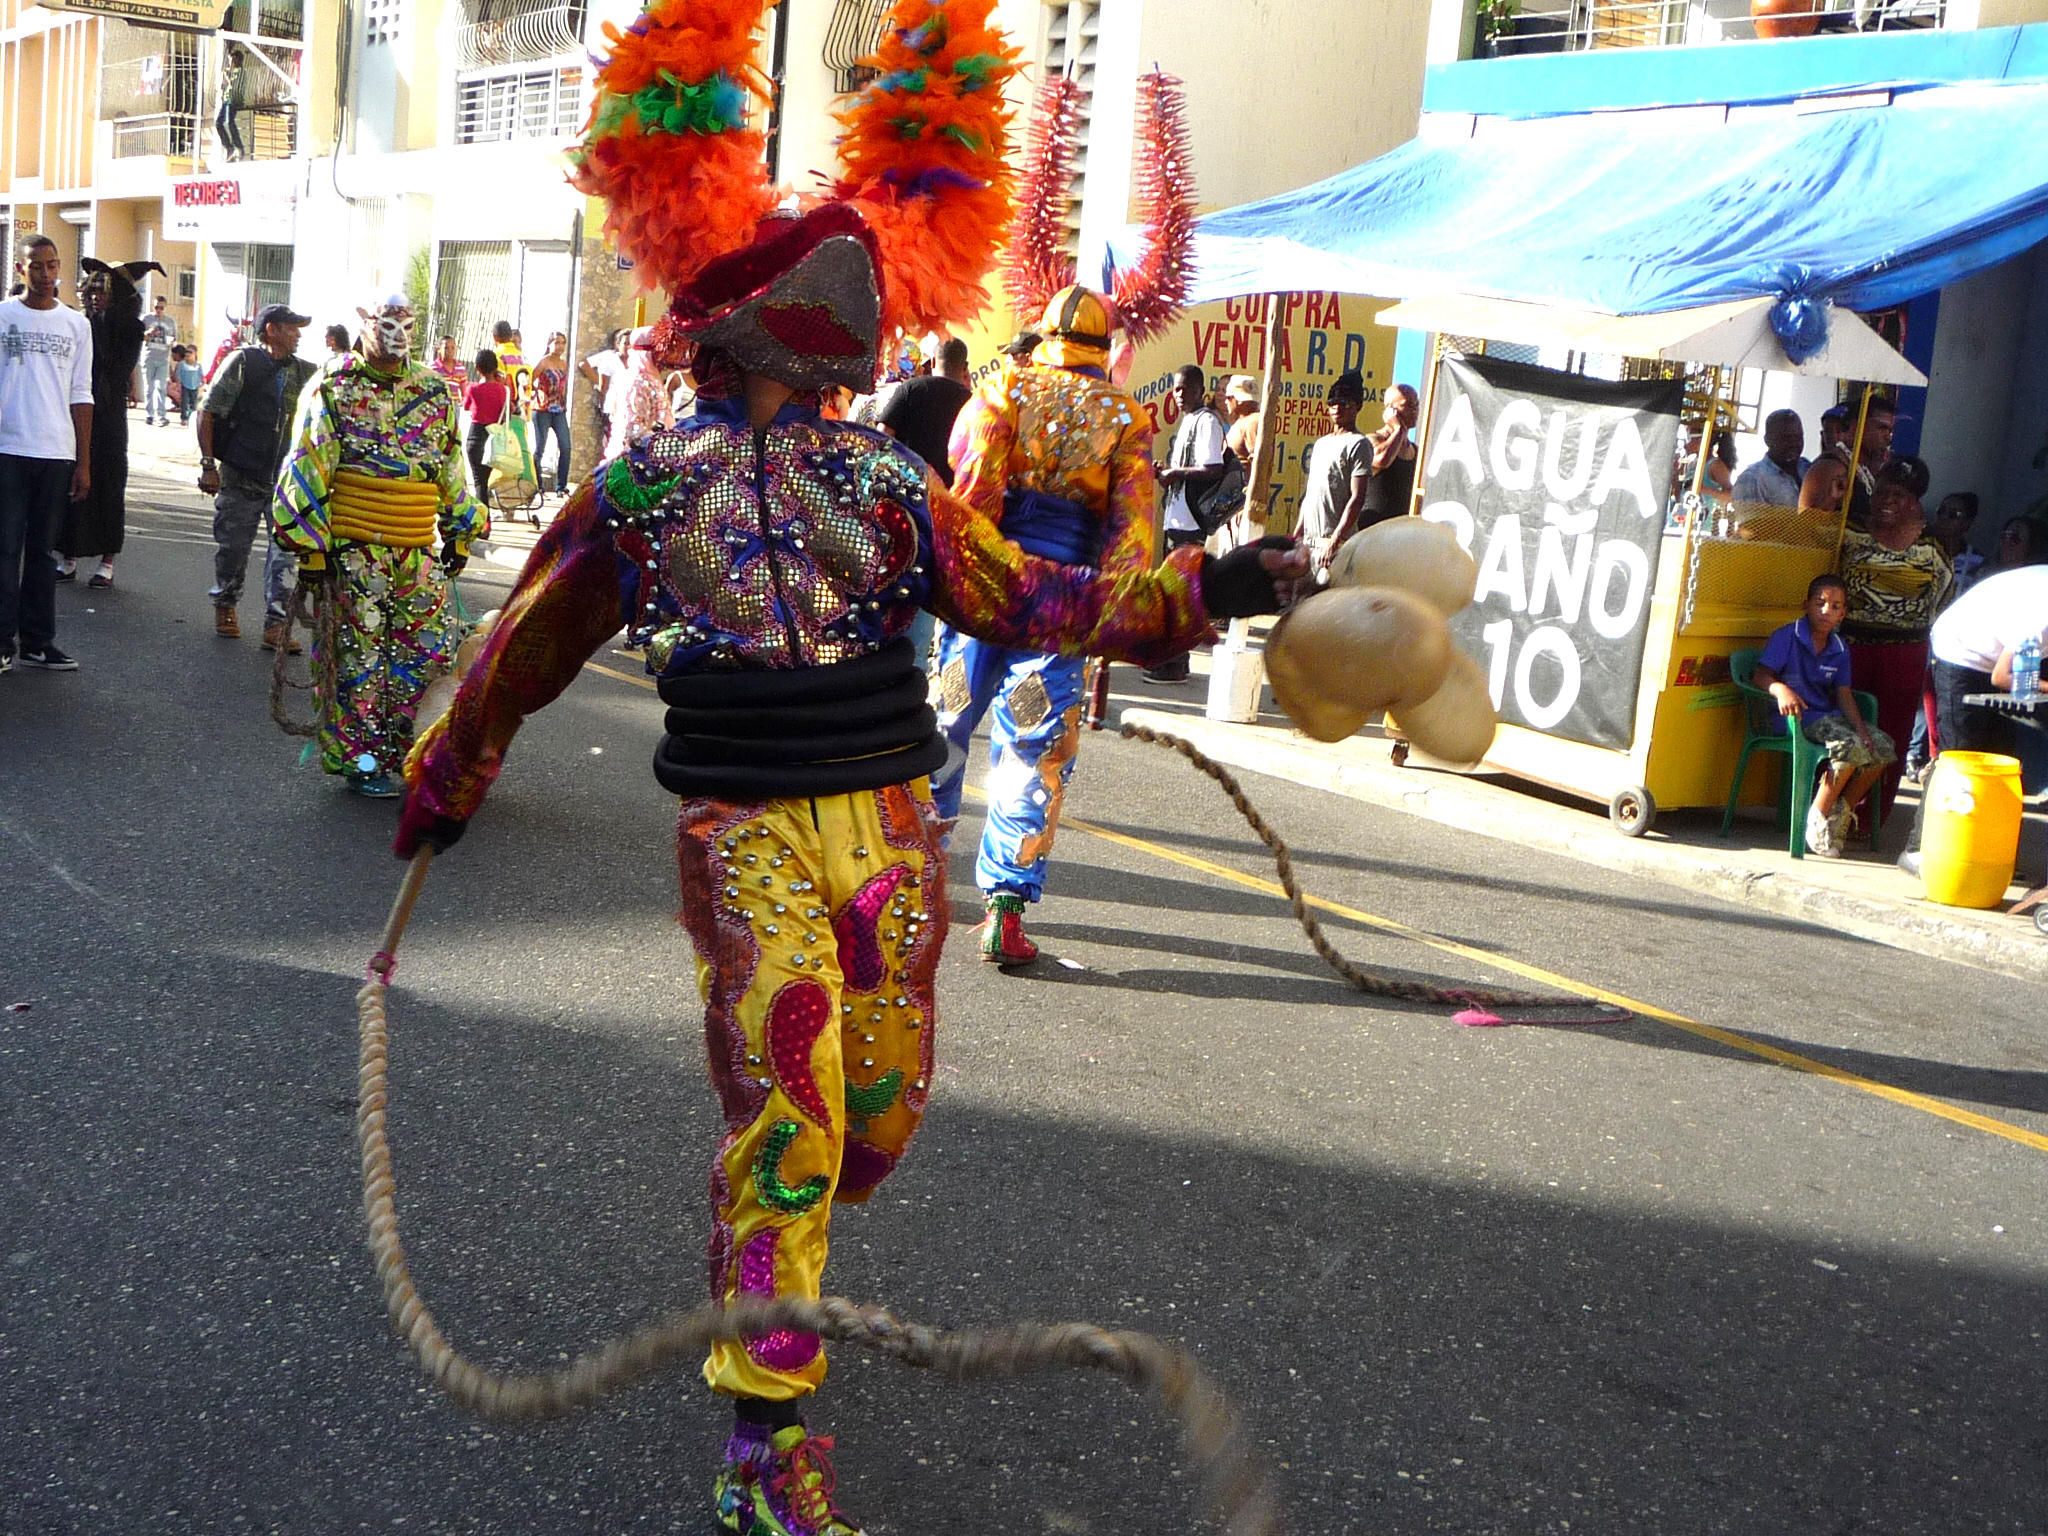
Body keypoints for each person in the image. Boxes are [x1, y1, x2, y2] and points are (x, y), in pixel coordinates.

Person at [392, 206, 1304, 1536]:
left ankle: (785, 1242)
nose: (832, 365)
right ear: (737, 338)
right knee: (794, 1110)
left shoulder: (883, 484)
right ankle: (766, 1441)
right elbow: (525, 641)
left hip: (885, 828)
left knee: (872, 1119)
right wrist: (450, 775)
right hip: (747, 831)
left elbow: (1026, 596)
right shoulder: (642, 492)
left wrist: (1211, 589)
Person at [926, 286, 1162, 964]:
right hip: (1060, 610)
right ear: (1103, 345)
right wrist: (1114, 610)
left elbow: (972, 493)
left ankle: (911, 876)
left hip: (988, 592)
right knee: (1031, 747)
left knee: (944, 722)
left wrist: (962, 578)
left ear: (1045, 334)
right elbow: (1131, 530)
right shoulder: (1127, 416)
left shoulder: (1002, 394)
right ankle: (1004, 904)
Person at [271, 292, 485, 795]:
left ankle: (418, 754)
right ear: (364, 325)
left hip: (416, 549)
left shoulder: (434, 391)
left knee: (425, 655)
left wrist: (460, 528)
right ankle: (361, 760)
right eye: (385, 325)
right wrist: (310, 546)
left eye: (404, 325)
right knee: (358, 657)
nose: (395, 336)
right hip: (354, 549)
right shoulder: (334, 385)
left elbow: (453, 464)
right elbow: (308, 459)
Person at [1898, 556, 2048, 875]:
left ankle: (1988, 853)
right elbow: (2005, 678)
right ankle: (1918, 851)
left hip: (1998, 651)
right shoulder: (2042, 618)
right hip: (1961, 653)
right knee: (1959, 756)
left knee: (2001, 766)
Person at [198, 301, 318, 650]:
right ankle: (225, 604)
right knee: (233, 548)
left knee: (285, 554)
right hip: (241, 474)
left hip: (286, 482)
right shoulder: (243, 362)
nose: (298, 335)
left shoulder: (306, 373)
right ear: (272, 330)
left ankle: (277, 623)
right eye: (291, 327)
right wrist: (208, 465)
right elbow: (208, 413)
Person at [0, 234, 92, 674]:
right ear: (22, 269)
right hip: (8, 449)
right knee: (4, 548)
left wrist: (84, 462)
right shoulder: (3, 317)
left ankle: (38, 642)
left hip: (56, 452)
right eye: (36, 265)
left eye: (52, 265)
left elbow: (82, 394)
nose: (46, 273)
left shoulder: (77, 325)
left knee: (41, 553)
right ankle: (2, 642)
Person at [1754, 574, 1895, 858]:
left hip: (1827, 717)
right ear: (1806, 605)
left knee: (1881, 747)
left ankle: (1841, 812)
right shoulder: (1788, 636)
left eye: (1834, 606)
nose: (1825, 611)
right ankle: (1817, 816)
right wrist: (1780, 689)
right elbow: (1761, 675)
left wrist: (1862, 729)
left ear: (1843, 613)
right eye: (1819, 603)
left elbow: (1844, 694)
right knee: (1849, 746)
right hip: (1793, 718)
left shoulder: (1840, 649)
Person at [1838, 479, 1952, 821]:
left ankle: (1870, 815)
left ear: (1913, 503)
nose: (1888, 500)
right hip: (1852, 646)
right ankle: (1830, 807)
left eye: (1898, 494)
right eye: (1883, 492)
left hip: (1906, 650)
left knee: (1892, 730)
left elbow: (1945, 595)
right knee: (1847, 726)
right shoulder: (1851, 533)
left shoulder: (1932, 545)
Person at [59, 259, 159, 592]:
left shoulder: (129, 326)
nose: (94, 294)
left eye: (103, 289)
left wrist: (101, 316)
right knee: (71, 485)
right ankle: (68, 555)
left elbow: (114, 366)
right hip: (76, 414)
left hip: (109, 417)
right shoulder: (81, 322)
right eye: (92, 288)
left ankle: (107, 560)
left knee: (108, 485)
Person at [1145, 362, 1229, 682]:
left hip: (1190, 522)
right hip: (1177, 516)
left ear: (1198, 389)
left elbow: (1213, 469)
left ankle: (1174, 662)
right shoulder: (1188, 422)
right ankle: (1173, 659)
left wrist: (1176, 472)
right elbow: (1185, 473)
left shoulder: (1206, 421)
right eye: (1175, 388)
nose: (1177, 395)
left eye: (1183, 389)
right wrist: (1166, 473)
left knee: (1179, 594)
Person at [1294, 368, 1374, 580]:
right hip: (1310, 540)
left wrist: (1335, 539)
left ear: (1358, 407)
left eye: (1344, 403)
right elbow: (1310, 494)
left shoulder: (1358, 444)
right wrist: (1297, 533)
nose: (1337, 408)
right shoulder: (1321, 444)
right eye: (1332, 403)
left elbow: (1357, 498)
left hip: (1335, 542)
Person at [879, 335, 972, 486]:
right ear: (965, 367)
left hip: (907, 489)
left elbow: (883, 434)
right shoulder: (972, 402)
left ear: (933, 361)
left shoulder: (910, 388)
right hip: (950, 495)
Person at [1360, 381, 1421, 531]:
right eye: (1407, 405)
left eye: (1416, 405)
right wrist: (1398, 429)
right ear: (1390, 410)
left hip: (1402, 532)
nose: (1414, 410)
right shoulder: (1372, 440)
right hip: (1373, 529)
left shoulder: (1415, 450)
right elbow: (1382, 460)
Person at [461, 349, 511, 504]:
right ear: (496, 367)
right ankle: (485, 520)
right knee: (486, 480)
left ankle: (483, 521)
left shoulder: (473, 388)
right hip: (494, 438)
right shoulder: (503, 390)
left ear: (477, 368)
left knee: (479, 482)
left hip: (476, 437)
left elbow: (466, 406)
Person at [1731, 408, 1808, 508]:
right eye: (1786, 438)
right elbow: (1750, 523)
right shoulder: (1752, 479)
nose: (1794, 443)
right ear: (1767, 440)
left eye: (1798, 437)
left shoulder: (1809, 469)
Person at [530, 331, 572, 496]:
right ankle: (538, 484)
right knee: (540, 447)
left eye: (562, 343)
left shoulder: (563, 363)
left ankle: (561, 485)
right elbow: (529, 380)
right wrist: (538, 392)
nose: (560, 346)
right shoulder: (543, 362)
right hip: (542, 409)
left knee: (566, 446)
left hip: (558, 409)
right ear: (549, 344)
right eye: (556, 342)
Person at [576, 327, 626, 448]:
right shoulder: (608, 356)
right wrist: (600, 382)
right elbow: (584, 364)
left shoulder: (633, 361)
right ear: (617, 343)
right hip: (611, 407)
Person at [140, 293, 178, 427]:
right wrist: (148, 333)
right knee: (149, 387)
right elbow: (139, 336)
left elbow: (174, 339)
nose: (159, 310)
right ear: (153, 306)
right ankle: (149, 414)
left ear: (165, 307)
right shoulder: (146, 319)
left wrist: (172, 343)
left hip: (163, 358)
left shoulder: (170, 321)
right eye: (157, 307)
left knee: (161, 387)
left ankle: (161, 415)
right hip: (149, 356)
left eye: (161, 308)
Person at [215, 45, 248, 162]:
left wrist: (226, 77)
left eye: (232, 61)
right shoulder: (234, 71)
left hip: (233, 100)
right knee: (218, 122)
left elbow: (233, 86)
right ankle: (228, 146)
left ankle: (238, 146)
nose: (231, 63)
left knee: (229, 122)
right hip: (227, 99)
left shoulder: (241, 72)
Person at [175, 344, 203, 425]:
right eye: (187, 352)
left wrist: (201, 382)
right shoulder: (182, 364)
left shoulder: (198, 365)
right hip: (185, 386)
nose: (188, 354)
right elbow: (178, 374)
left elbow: (200, 374)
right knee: (184, 402)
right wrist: (178, 382)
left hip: (195, 386)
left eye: (190, 352)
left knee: (193, 403)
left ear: (195, 354)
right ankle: (184, 418)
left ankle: (191, 418)